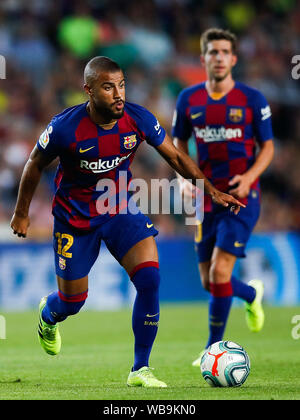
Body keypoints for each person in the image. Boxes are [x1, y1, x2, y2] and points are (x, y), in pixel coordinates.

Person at [10, 56, 243, 388]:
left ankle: (140, 368)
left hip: (119, 209)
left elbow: (175, 156)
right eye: (108, 87)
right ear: (88, 90)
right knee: (73, 302)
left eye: (121, 85)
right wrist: (21, 213)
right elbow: (34, 164)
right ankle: (49, 314)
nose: (118, 94)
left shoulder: (138, 118)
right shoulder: (65, 127)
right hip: (75, 220)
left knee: (149, 279)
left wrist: (212, 190)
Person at [172, 28, 274, 366]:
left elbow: (268, 147)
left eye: (224, 52)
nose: (218, 57)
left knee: (219, 273)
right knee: (209, 280)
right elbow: (177, 145)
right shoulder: (188, 99)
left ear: (234, 58)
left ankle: (212, 350)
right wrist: (184, 179)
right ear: (203, 59)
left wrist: (249, 177)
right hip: (205, 198)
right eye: (212, 52)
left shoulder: (252, 99)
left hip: (241, 197)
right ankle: (251, 293)